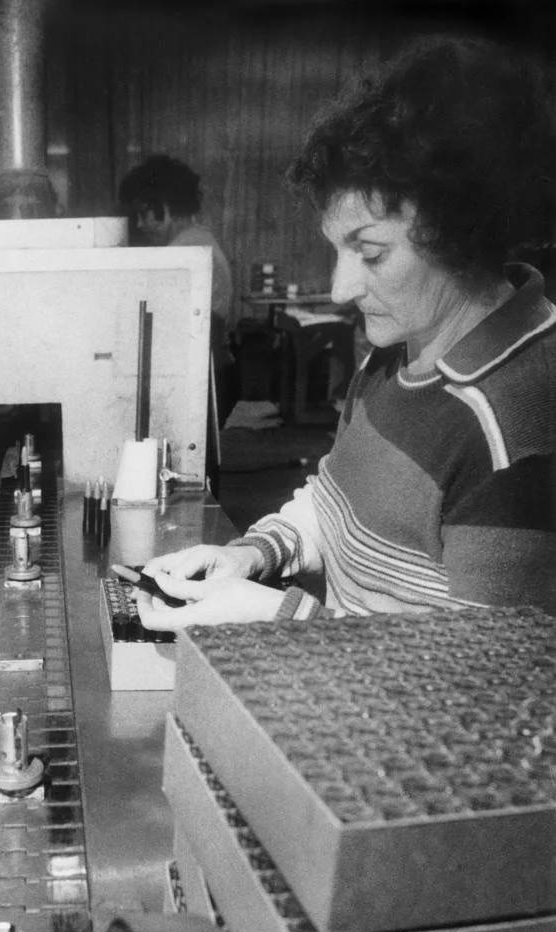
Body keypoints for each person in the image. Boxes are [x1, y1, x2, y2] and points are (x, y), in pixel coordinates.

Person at [135, 37, 556, 632]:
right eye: (338, 249)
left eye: (372, 254)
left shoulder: (519, 420)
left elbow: (488, 684)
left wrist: (280, 614)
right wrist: (250, 556)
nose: (339, 289)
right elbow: (333, 498)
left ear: (462, 237)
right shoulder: (393, 356)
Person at [119, 154, 236, 423]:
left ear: (165, 206)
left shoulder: (184, 253)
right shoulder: (198, 240)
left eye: (143, 213)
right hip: (214, 375)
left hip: (203, 381)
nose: (139, 225)